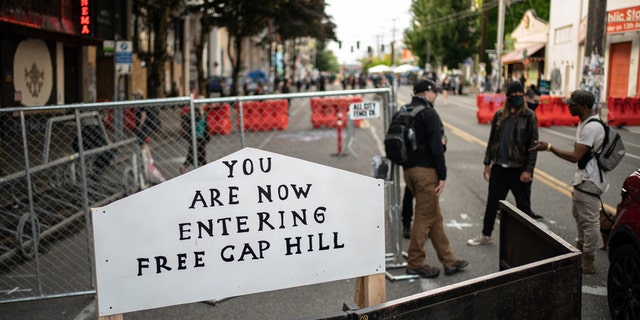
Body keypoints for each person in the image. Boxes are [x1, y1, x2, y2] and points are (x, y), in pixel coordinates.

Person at [529, 90, 605, 274]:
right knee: (579, 216)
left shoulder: (591, 128)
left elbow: (575, 156)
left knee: (589, 221)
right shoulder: (585, 123)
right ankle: (580, 251)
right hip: (583, 178)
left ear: (585, 106)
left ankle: (588, 260)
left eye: (573, 104)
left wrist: (549, 147)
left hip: (590, 180)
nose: (569, 106)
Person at [402, 79, 468, 278]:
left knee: (434, 216)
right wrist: (443, 175)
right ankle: (415, 262)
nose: (437, 95)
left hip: (409, 170)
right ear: (426, 92)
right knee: (424, 216)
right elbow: (436, 147)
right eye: (435, 92)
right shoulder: (429, 113)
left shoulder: (405, 110)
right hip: (426, 172)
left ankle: (449, 261)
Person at [468, 82, 541, 247]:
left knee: (523, 206)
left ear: (523, 96)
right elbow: (492, 140)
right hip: (499, 168)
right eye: (513, 94)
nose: (516, 97)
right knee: (492, 203)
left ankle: (528, 239)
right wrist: (487, 163)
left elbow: (533, 145)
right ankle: (486, 234)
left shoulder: (529, 116)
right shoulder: (500, 115)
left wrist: (528, 170)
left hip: (519, 169)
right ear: (507, 97)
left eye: (519, 94)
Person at [181, 102, 210, 173]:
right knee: (192, 152)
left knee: (202, 152)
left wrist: (207, 135)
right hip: (194, 136)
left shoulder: (205, 113)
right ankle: (185, 167)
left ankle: (202, 168)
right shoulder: (194, 113)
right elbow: (185, 120)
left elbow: (205, 126)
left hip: (202, 136)